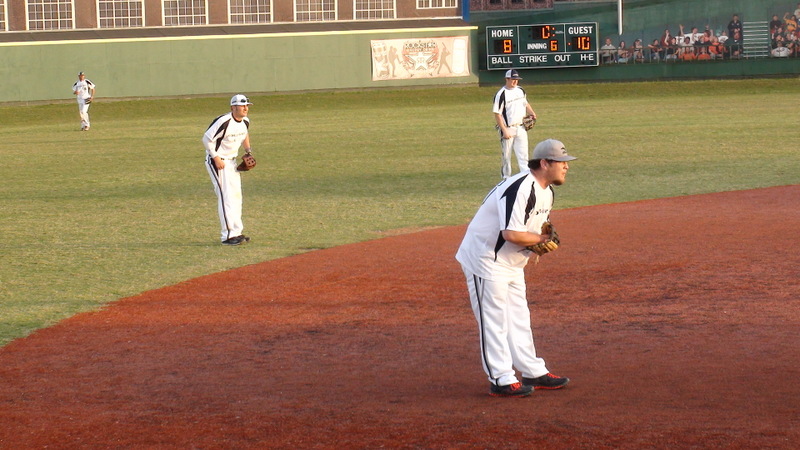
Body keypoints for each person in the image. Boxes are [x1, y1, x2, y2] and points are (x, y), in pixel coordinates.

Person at [456, 138, 576, 398]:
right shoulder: (520, 188)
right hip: (486, 259)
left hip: (511, 262)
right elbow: (511, 233)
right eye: (561, 162)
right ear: (544, 163)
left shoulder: (546, 192)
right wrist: (541, 240)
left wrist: (538, 241)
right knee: (494, 320)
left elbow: (529, 230)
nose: (566, 167)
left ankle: (532, 370)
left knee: (519, 317)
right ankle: (501, 378)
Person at [203, 94, 254, 246]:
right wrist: (216, 157)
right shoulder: (223, 121)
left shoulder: (245, 121)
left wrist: (248, 151)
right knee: (226, 198)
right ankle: (227, 236)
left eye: (246, 105)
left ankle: (237, 232)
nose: (245, 108)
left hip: (232, 163)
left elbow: (244, 134)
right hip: (218, 162)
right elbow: (206, 139)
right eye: (242, 105)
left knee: (236, 197)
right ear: (233, 107)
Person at [492, 69, 537, 179]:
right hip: (508, 128)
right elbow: (497, 113)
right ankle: (506, 178)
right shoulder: (501, 94)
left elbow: (525, 103)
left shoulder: (520, 90)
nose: (515, 81)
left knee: (523, 155)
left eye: (517, 79)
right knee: (506, 156)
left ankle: (526, 177)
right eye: (513, 79)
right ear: (507, 79)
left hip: (521, 127)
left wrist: (532, 113)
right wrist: (504, 130)